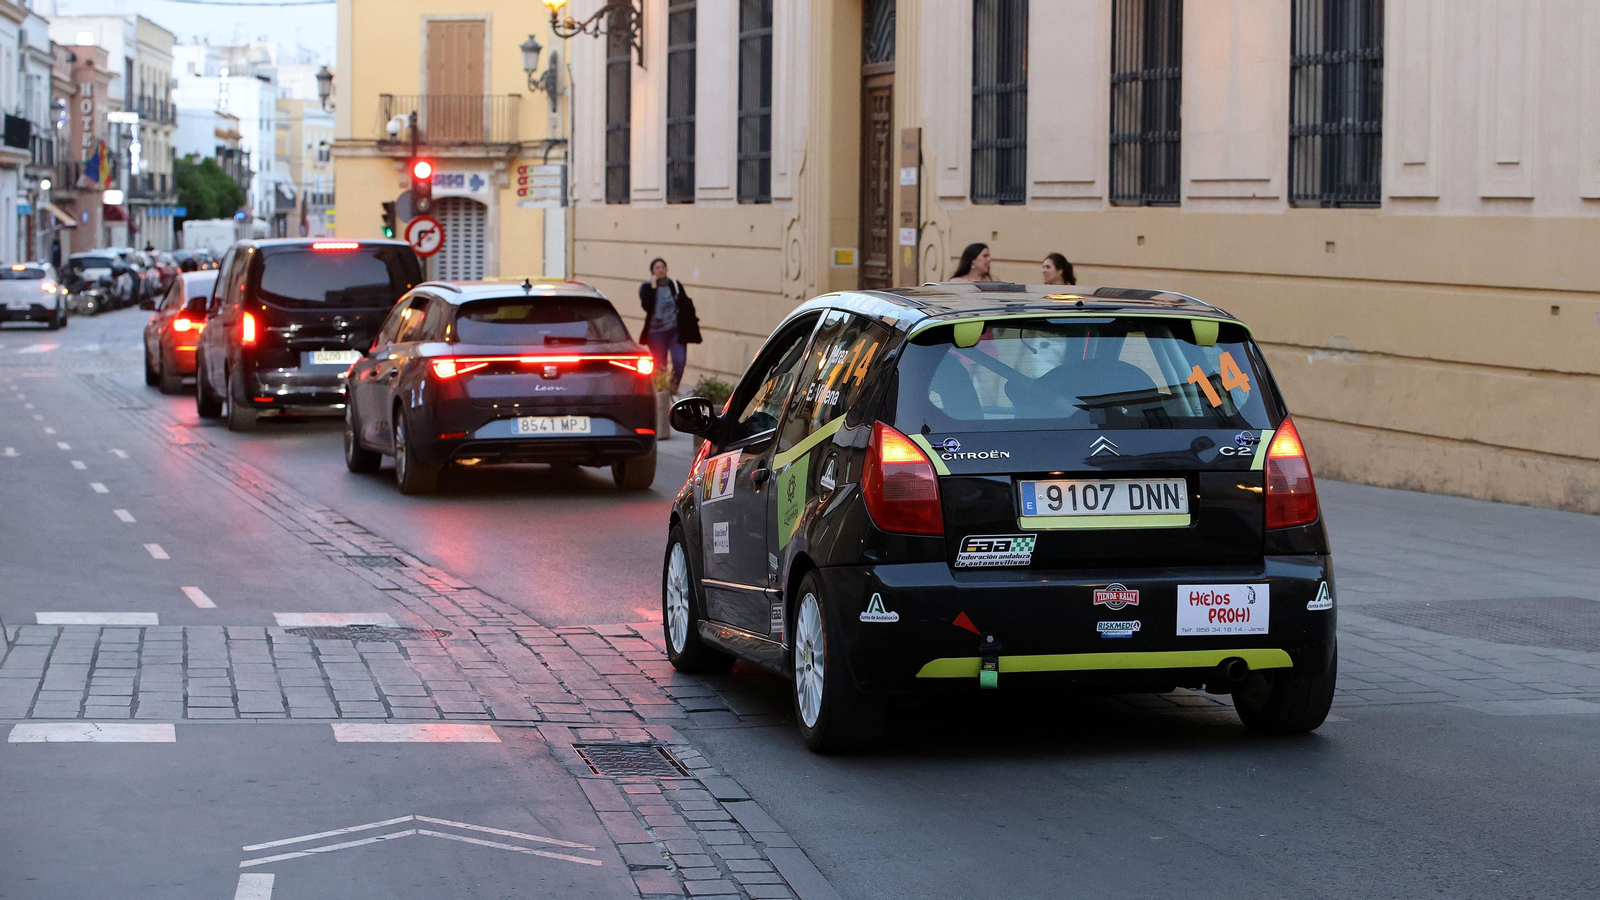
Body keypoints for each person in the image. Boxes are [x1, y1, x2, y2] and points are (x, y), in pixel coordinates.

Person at [638, 258, 702, 394]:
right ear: (652, 271)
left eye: (663, 267)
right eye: (657, 267)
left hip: (675, 331)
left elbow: (685, 304)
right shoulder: (646, 287)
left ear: (667, 269)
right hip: (656, 332)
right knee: (660, 365)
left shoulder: (674, 284)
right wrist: (653, 287)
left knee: (679, 361)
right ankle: (660, 393)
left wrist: (680, 300)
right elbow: (647, 306)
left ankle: (672, 390)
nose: (660, 270)